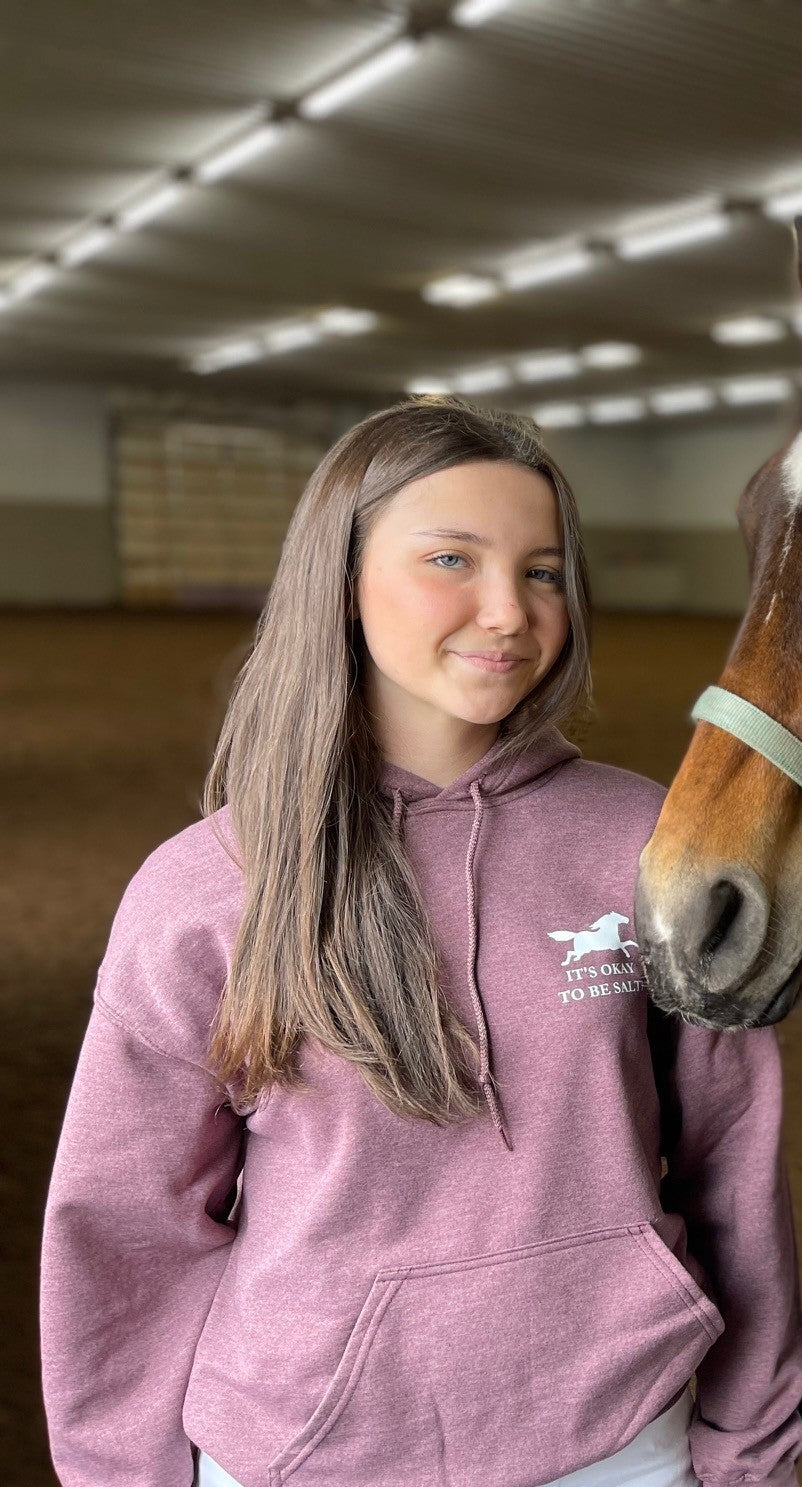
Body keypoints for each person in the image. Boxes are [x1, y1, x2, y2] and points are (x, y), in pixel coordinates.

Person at [40, 396, 802, 1487]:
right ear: (339, 579)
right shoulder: (204, 888)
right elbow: (122, 1226)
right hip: (306, 1451)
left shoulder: (647, 841)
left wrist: (753, 1441)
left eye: (542, 570)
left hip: (623, 1441)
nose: (507, 609)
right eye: (453, 556)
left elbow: (733, 1164)